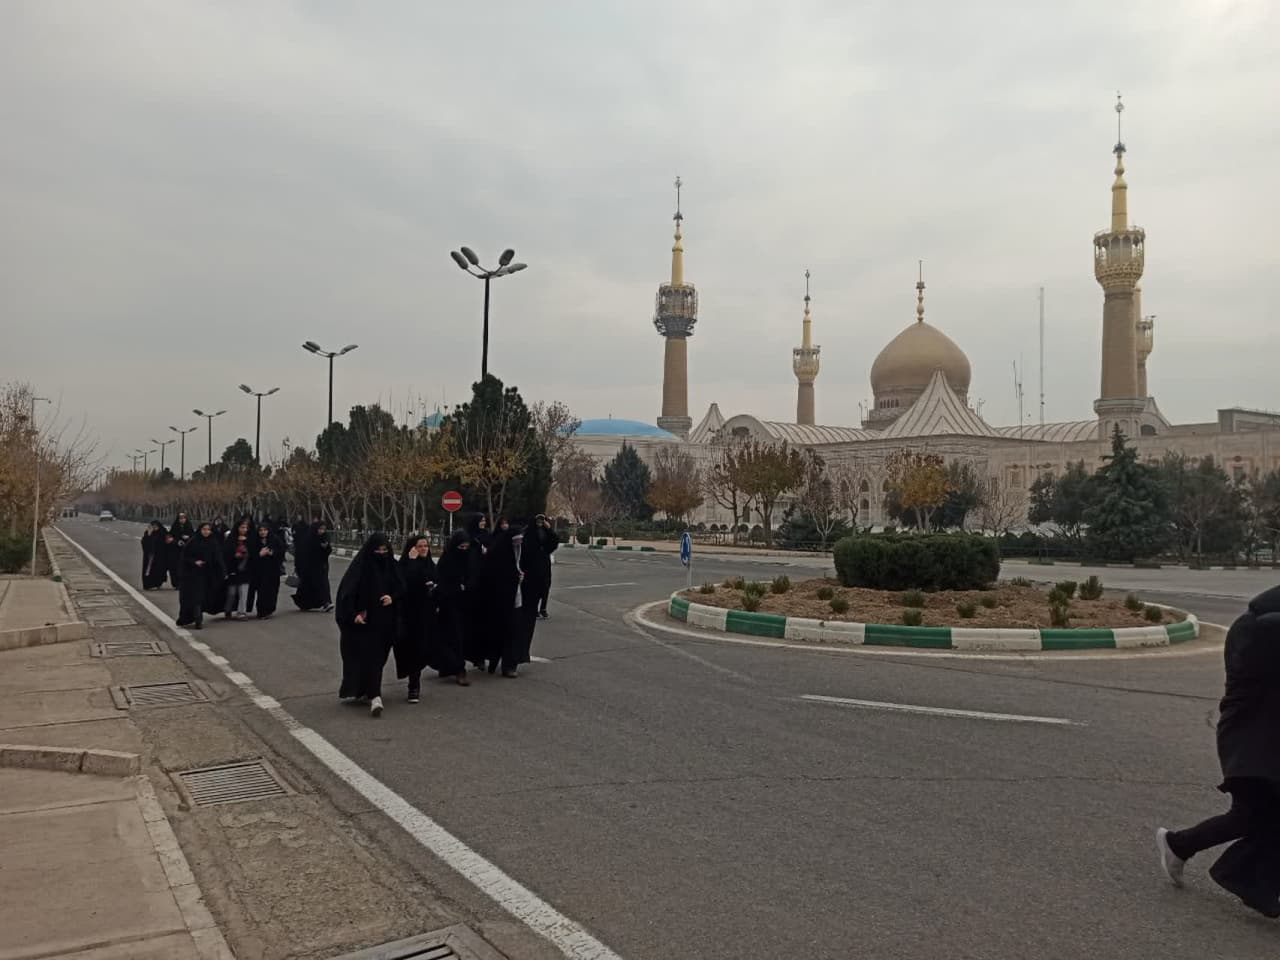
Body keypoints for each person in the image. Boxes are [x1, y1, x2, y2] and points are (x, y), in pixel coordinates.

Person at [1157, 585, 1280, 918]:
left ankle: (1183, 846)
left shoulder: (1258, 628)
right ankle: (1235, 873)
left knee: (1257, 816)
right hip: (1251, 741)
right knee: (1253, 814)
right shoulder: (1260, 633)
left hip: (1264, 739)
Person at [335, 533, 404, 717]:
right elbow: (347, 594)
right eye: (377, 550)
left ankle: (367, 688)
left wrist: (392, 597)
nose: (381, 554)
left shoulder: (392, 566)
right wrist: (354, 615)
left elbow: (401, 587)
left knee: (379, 659)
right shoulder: (360, 568)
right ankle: (375, 696)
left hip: (386, 622)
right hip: (366, 623)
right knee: (371, 658)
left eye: (384, 550)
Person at [394, 535, 436, 703]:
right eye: (420, 546)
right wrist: (412, 562)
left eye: (426, 546)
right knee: (411, 650)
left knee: (422, 649)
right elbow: (404, 584)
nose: (424, 549)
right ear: (412, 548)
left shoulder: (430, 565)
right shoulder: (404, 565)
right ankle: (413, 686)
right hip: (408, 615)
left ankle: (415, 683)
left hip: (426, 615)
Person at [478, 525, 523, 676]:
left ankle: (509, 666)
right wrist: (514, 577)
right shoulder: (497, 554)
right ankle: (493, 661)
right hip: (498, 601)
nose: (518, 544)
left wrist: (520, 576)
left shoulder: (520, 551)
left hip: (516, 599)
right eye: (516, 541)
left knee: (513, 633)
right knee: (497, 632)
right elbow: (490, 576)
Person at [430, 530, 473, 686]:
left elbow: (472, 578)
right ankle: (452, 667)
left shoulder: (468, 560)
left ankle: (457, 668)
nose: (464, 550)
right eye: (461, 547)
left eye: (466, 547)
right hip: (447, 604)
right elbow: (440, 580)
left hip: (463, 605)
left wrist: (466, 586)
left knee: (459, 637)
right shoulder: (446, 560)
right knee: (447, 636)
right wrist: (455, 587)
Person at [176, 522, 224, 630]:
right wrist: (194, 562)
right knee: (196, 598)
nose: (206, 532)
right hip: (193, 575)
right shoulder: (193, 542)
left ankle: (198, 617)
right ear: (200, 530)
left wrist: (221, 572)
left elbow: (218, 559)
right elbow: (185, 557)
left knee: (202, 598)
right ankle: (198, 620)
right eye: (204, 529)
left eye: (208, 529)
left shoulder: (213, 542)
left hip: (207, 575)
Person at [292, 520, 333, 612]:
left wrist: (326, 547)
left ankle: (326, 602)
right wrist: (298, 566)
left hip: (322, 565)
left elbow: (328, 552)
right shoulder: (308, 539)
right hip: (309, 566)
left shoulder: (325, 538)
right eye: (320, 529)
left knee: (323, 584)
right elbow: (302, 553)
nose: (322, 531)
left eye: (323, 529)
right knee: (308, 585)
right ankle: (305, 603)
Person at [250, 521, 286, 619]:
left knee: (272, 591)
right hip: (259, 571)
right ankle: (261, 611)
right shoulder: (255, 541)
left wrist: (272, 553)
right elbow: (250, 555)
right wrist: (259, 554)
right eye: (261, 530)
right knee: (261, 591)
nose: (263, 532)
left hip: (272, 571)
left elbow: (281, 551)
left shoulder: (274, 539)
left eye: (265, 530)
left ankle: (269, 609)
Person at [528, 513, 559, 619]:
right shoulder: (530, 531)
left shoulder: (546, 531)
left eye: (542, 519)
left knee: (545, 585)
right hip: (533, 563)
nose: (540, 522)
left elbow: (555, 541)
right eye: (538, 519)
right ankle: (534, 608)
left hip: (544, 562)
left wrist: (549, 529)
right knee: (534, 587)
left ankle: (543, 608)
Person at [222, 520, 253, 620]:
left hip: (246, 569)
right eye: (242, 527)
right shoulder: (231, 539)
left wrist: (246, 553)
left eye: (246, 528)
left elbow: (253, 552)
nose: (244, 529)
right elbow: (225, 553)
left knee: (243, 592)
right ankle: (228, 609)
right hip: (233, 569)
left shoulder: (250, 539)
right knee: (231, 593)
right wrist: (234, 555)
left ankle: (241, 612)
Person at [167, 512, 194, 589]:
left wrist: (188, 538)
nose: (182, 520)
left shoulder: (189, 526)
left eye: (184, 518)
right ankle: (177, 584)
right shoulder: (175, 526)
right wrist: (176, 541)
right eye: (180, 518)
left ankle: (184, 584)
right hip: (175, 551)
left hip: (186, 551)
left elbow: (193, 537)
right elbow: (170, 537)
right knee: (175, 567)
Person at [140, 520, 168, 590]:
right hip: (151, 555)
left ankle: (158, 583)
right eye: (153, 526)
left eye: (156, 526)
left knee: (159, 570)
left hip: (160, 555)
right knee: (148, 570)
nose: (155, 528)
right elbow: (144, 542)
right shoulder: (148, 533)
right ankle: (148, 585)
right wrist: (149, 535)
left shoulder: (163, 532)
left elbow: (167, 542)